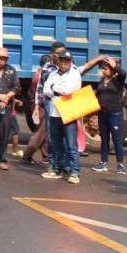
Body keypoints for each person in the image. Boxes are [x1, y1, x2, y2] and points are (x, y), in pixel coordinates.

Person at [44, 50, 83, 184]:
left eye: (67, 61)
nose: (64, 63)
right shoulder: (53, 73)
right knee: (56, 143)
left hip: (68, 110)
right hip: (55, 111)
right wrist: (55, 88)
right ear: (58, 61)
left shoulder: (75, 74)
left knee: (71, 144)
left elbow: (68, 90)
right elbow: (46, 90)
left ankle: (75, 172)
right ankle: (57, 169)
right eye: (62, 60)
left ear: (70, 61)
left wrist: (54, 88)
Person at [83, 55, 126, 174]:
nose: (103, 70)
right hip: (103, 113)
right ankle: (103, 163)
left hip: (115, 114)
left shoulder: (118, 81)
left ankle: (120, 164)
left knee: (117, 140)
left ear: (112, 71)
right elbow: (98, 96)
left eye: (106, 68)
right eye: (103, 68)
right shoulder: (102, 81)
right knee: (104, 139)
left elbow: (123, 73)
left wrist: (114, 66)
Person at [22, 48, 61, 168]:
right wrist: (38, 107)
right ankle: (27, 156)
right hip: (43, 105)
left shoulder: (38, 72)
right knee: (41, 132)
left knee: (44, 132)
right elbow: (40, 92)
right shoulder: (45, 73)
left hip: (38, 104)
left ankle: (46, 157)